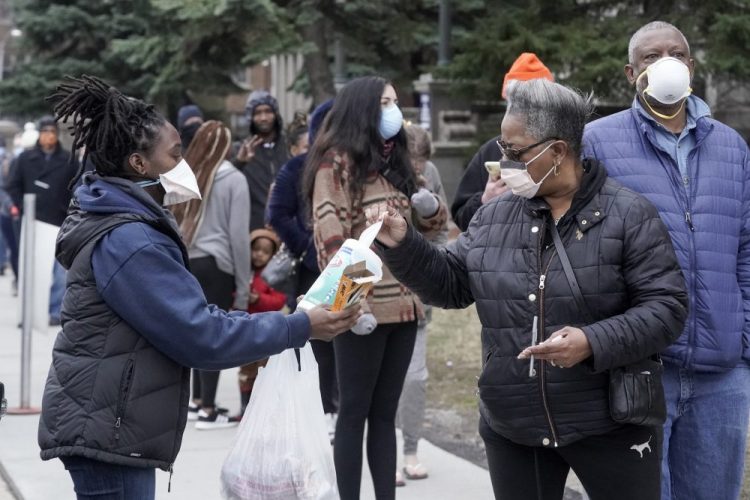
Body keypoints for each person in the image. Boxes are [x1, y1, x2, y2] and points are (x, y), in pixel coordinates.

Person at [37, 75, 360, 500]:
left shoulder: (123, 220)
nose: (184, 163)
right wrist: (298, 327)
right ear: (139, 164)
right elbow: (200, 334)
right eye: (175, 154)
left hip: (107, 429)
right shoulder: (131, 240)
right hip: (105, 436)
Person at [366, 78, 689, 500]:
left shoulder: (629, 215)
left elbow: (667, 308)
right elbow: (452, 283)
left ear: (559, 152)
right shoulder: (495, 214)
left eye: (515, 152)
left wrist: (592, 341)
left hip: (610, 420)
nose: (505, 162)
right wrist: (402, 242)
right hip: (513, 423)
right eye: (502, 148)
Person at [582, 21, 750, 500]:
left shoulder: (731, 147)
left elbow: (746, 247)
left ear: (691, 67)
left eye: (676, 54)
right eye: (652, 57)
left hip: (723, 369)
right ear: (631, 72)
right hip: (642, 366)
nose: (666, 63)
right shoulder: (597, 142)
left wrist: (744, 339)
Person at [303, 76, 448, 500]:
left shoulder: (397, 163)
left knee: (385, 417)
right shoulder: (337, 164)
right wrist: (352, 305)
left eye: (396, 102)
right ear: (362, 107)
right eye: (385, 102)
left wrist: (431, 207)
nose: (394, 111)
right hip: (360, 313)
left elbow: (430, 229)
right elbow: (332, 240)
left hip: (405, 307)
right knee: (353, 413)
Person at [170, 120, 252, 430]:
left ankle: (195, 401)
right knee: (215, 336)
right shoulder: (234, 179)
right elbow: (238, 238)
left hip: (188, 261)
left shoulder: (186, 178)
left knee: (194, 332)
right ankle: (207, 409)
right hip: (218, 265)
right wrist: (243, 289)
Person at [267, 99, 339, 440]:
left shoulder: (356, 169)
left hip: (350, 266)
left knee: (349, 339)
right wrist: (309, 247)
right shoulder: (296, 168)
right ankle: (323, 408)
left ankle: (341, 407)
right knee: (319, 341)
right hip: (312, 269)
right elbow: (277, 214)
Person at [394, 124, 451, 487]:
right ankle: (381, 450)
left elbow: (443, 230)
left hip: (415, 293)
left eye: (422, 163)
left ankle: (410, 449)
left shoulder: (429, 175)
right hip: (380, 291)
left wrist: (434, 268)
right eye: (411, 164)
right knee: (382, 382)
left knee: (415, 378)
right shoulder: (377, 175)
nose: (418, 170)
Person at [451, 53, 554, 231]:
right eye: (518, 103)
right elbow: (462, 218)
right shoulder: (492, 150)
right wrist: (484, 200)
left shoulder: (560, 150)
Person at [6, 115, 79, 325]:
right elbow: (13, 185)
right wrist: (22, 206)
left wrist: (69, 209)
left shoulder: (69, 159)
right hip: (32, 220)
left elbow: (77, 186)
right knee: (32, 269)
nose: (49, 136)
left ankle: (55, 311)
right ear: (39, 134)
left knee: (58, 271)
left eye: (52, 132)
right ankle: (29, 312)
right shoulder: (25, 159)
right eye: (45, 132)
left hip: (59, 220)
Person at [237, 228, 288, 414]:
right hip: (245, 330)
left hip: (265, 331)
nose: (259, 255)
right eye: (256, 249)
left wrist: (258, 299)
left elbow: (279, 301)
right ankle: (245, 408)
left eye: (265, 252)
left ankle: (264, 410)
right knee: (245, 371)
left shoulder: (273, 276)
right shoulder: (244, 272)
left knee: (264, 371)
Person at [235, 90, 289, 231]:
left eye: (268, 111)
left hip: (287, 227)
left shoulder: (289, 146)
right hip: (255, 230)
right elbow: (227, 179)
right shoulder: (241, 150)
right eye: (257, 113)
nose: (263, 117)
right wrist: (239, 162)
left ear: (275, 114)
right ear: (250, 117)